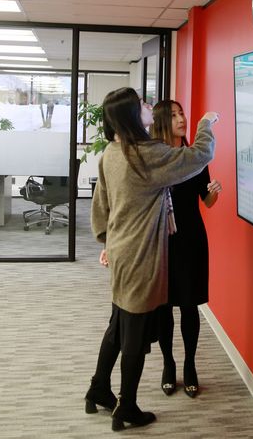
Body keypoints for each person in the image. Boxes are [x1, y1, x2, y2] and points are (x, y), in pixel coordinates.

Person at [84, 87, 219, 431]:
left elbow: (100, 206)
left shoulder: (113, 152)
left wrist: (107, 242)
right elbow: (201, 154)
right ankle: (127, 407)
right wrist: (205, 123)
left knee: (119, 323)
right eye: (142, 104)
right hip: (141, 255)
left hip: (121, 250)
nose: (149, 106)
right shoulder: (147, 154)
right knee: (134, 334)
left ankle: (99, 388)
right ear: (133, 116)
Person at [151, 100, 221, 399]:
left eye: (182, 113)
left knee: (190, 305)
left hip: (191, 238)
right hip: (162, 239)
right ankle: (168, 365)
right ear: (161, 122)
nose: (181, 119)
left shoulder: (195, 157)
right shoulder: (156, 159)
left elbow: (206, 201)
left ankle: (190, 365)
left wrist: (214, 192)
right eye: (174, 115)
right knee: (164, 306)